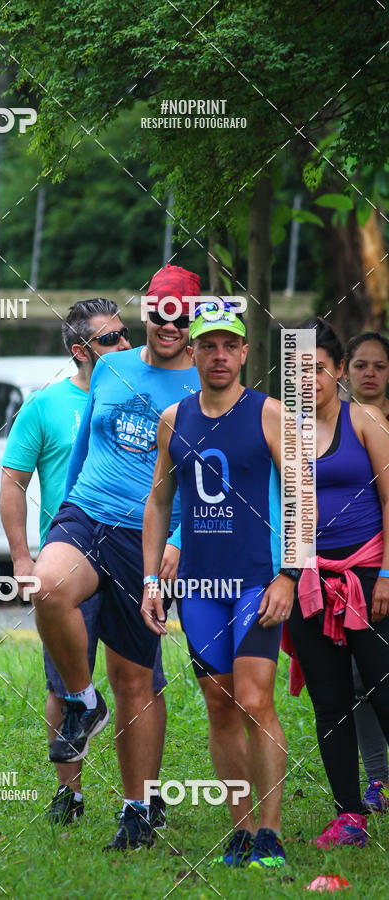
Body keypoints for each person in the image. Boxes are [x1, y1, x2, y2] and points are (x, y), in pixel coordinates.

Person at [32, 264, 201, 851]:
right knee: (48, 587)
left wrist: (177, 540)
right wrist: (60, 518)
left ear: (194, 318)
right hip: (86, 512)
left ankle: (137, 811)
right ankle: (82, 700)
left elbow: (200, 478)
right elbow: (82, 450)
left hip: (146, 537)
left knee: (135, 678)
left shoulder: (204, 387)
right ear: (147, 314)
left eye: (179, 315)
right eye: (158, 313)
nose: (167, 325)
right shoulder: (111, 367)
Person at [141, 303, 300, 869]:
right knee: (220, 704)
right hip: (201, 588)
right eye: (208, 345)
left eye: (229, 346)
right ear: (193, 352)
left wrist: (290, 574)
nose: (219, 356)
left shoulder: (270, 413)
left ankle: (271, 833)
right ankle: (241, 828)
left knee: (256, 700)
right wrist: (150, 580)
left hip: (258, 580)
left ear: (245, 352)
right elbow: (159, 502)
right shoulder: (173, 418)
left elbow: (302, 500)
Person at [0, 298, 131, 825]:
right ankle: (69, 793)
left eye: (126, 334)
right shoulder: (46, 405)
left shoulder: (139, 398)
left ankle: (140, 797)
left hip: (128, 553)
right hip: (66, 556)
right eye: (112, 339)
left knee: (137, 680)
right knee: (64, 685)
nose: (126, 345)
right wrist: (20, 558)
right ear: (81, 351)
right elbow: (12, 481)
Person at [285, 318, 389, 848]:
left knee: (383, 685)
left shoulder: (365, 419)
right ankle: (350, 815)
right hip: (309, 577)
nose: (309, 380)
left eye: (319, 369)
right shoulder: (284, 430)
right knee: (329, 700)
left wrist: (388, 573)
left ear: (339, 370)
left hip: (370, 574)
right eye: (299, 370)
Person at [345, 331, 389, 812]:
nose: (370, 373)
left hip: (386, 568)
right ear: (346, 371)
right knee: (360, 681)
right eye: (360, 365)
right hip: (355, 576)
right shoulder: (326, 427)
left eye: (379, 365)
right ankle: (378, 780)